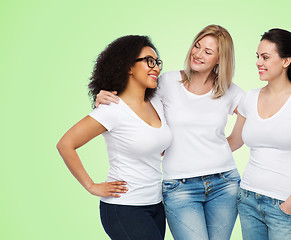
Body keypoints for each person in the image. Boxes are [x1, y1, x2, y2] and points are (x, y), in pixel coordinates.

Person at [96, 25, 244, 240]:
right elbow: (134, 101)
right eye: (197, 46)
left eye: (208, 52)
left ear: (220, 59)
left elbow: (262, 109)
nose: (198, 54)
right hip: (179, 187)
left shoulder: (230, 90)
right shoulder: (167, 82)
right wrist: (105, 94)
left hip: (225, 184)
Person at [56, 35, 172, 240]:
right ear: (128, 66)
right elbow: (66, 144)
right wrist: (91, 186)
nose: (156, 68)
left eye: (157, 62)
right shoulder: (112, 109)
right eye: (149, 61)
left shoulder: (158, 104)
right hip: (124, 208)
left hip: (155, 205)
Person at [233, 28, 291, 240]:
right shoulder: (249, 98)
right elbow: (234, 141)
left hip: (284, 205)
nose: (259, 62)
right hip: (248, 199)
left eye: (266, 57)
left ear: (286, 61)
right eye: (257, 56)